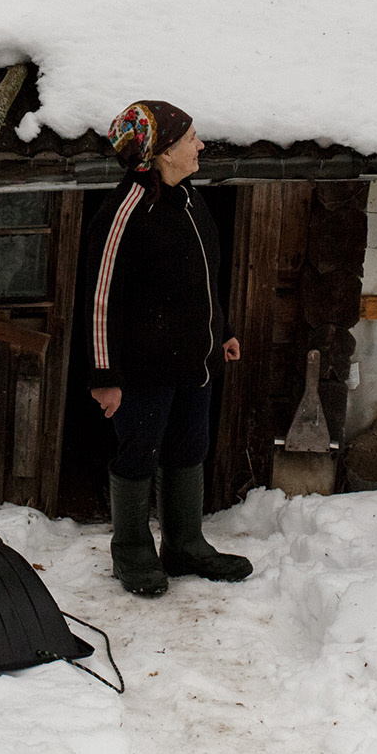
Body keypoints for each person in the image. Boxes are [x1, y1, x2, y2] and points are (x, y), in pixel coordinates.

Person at [82, 99, 253, 597]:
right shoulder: (125, 211)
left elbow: (201, 278)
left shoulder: (191, 201)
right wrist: (103, 376)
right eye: (190, 138)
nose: (200, 145)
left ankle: (185, 544)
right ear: (160, 152)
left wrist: (222, 332)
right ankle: (132, 552)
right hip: (142, 370)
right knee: (138, 456)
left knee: (188, 450)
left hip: (194, 364)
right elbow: (98, 297)